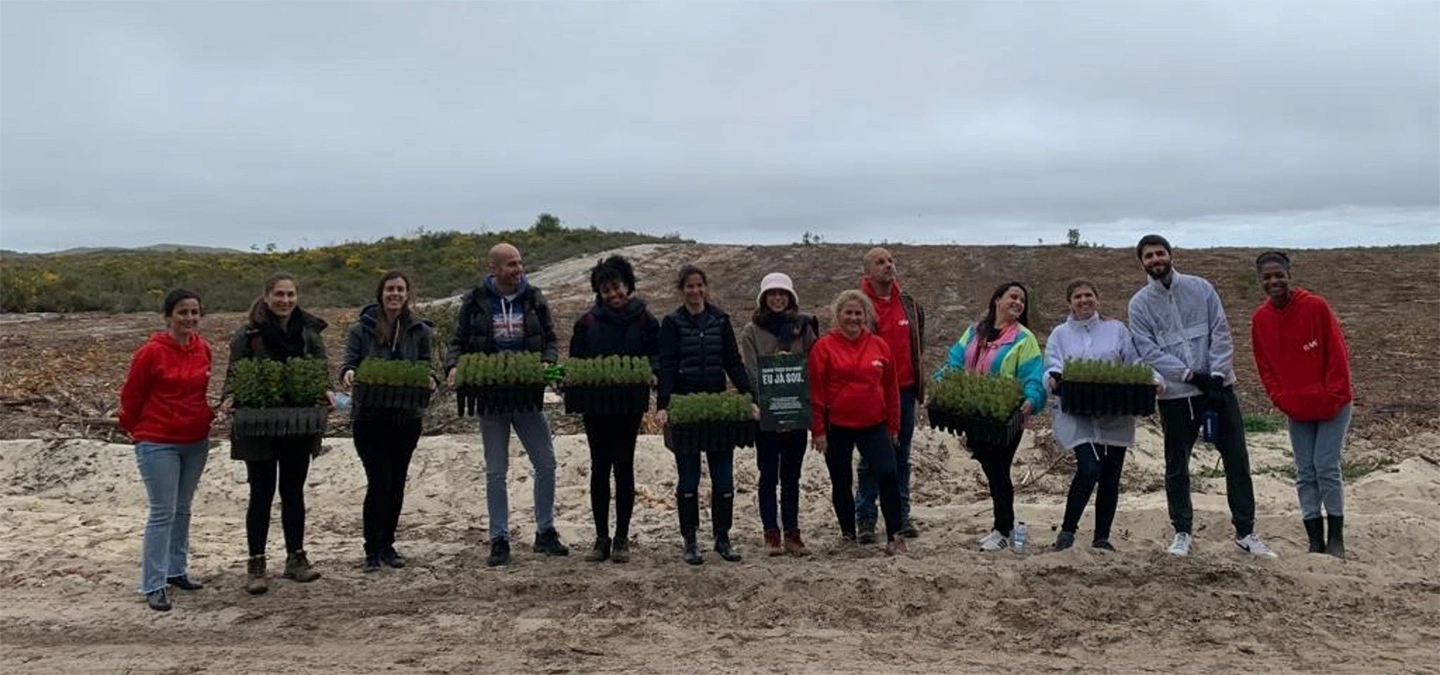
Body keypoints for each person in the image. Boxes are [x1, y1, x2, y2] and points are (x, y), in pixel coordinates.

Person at [1127, 234, 1277, 558]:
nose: (1155, 260)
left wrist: (1217, 377)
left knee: (1237, 459)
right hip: (1176, 395)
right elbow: (1148, 349)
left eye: (1160, 253)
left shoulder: (1201, 288)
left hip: (1218, 390)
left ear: (1170, 254)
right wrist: (1188, 375)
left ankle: (1246, 532)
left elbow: (1220, 331)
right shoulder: (1139, 304)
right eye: (1149, 256)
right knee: (1177, 465)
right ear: (1142, 263)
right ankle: (1182, 531)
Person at [444, 243, 569, 567]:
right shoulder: (475, 301)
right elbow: (458, 341)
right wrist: (453, 366)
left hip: (527, 394)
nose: (518, 269)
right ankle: (499, 539)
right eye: (511, 264)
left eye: (520, 263)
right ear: (494, 268)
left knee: (546, 463)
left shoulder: (534, 298)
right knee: (496, 471)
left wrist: (547, 361)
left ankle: (545, 531)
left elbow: (550, 340)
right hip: (491, 396)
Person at [222, 272, 331, 595]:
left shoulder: (309, 332)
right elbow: (233, 374)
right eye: (279, 295)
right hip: (259, 427)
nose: (285, 300)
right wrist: (230, 397)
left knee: (293, 492)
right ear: (267, 296)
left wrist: (326, 390)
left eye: (290, 294)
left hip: (298, 425)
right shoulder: (248, 334)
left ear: (297, 297)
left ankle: (296, 558)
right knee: (261, 494)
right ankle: (256, 564)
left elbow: (322, 369)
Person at [1044, 281, 1160, 552]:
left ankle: (1102, 537)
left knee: (1111, 475)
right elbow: (1052, 362)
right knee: (1089, 467)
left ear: (1097, 299)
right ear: (1069, 303)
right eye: (1077, 296)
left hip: (1115, 411)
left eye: (1088, 295)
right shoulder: (1060, 334)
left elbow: (1134, 360)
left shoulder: (1116, 329)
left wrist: (1153, 378)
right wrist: (1052, 378)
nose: (1084, 300)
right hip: (1077, 411)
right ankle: (1067, 531)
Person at [1251, 251, 1353, 558]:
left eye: (1279, 275)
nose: (1274, 281)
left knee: (1326, 466)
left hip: (1332, 404)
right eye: (1267, 277)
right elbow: (1265, 367)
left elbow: (1337, 354)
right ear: (1260, 281)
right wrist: (1280, 398)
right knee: (1305, 472)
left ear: (1289, 275)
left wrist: (1331, 395)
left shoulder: (1316, 307)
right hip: (1297, 408)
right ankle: (1314, 539)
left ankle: (1336, 538)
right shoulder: (1261, 320)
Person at [118, 289, 215, 611]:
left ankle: (176, 570)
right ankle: (154, 582)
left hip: (195, 439)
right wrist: (135, 429)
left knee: (183, 508)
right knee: (162, 511)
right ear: (168, 316)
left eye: (194, 312)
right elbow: (131, 396)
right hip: (157, 440)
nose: (189, 318)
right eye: (182, 312)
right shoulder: (150, 353)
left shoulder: (203, 349)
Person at [655, 264, 755, 565]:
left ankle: (722, 538)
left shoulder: (720, 320)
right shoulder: (672, 322)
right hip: (685, 408)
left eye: (700, 285)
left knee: (723, 477)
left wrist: (749, 396)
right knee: (688, 478)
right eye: (690, 286)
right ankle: (690, 539)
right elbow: (667, 364)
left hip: (716, 406)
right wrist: (663, 405)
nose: (695, 291)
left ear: (706, 288)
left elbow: (733, 361)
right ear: (681, 290)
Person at [936, 281, 1046, 552]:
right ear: (997, 299)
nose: (1018, 303)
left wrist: (1032, 399)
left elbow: (1033, 376)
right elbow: (954, 361)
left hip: (1006, 417)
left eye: (1022, 300)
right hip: (976, 414)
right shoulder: (974, 332)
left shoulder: (1024, 339)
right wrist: (941, 381)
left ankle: (1003, 529)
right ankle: (1002, 526)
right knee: (990, 469)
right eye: (1013, 297)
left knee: (998, 471)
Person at [340, 270, 435, 573]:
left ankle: (387, 545)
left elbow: (427, 365)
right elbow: (348, 363)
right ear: (380, 294)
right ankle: (371, 548)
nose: (395, 294)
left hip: (406, 417)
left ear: (407, 294)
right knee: (379, 481)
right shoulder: (360, 329)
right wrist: (348, 373)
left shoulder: (420, 330)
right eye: (390, 289)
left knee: (396, 482)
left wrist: (430, 379)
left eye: (400, 289)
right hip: (369, 418)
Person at [568, 255, 661, 563]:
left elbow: (657, 356)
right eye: (606, 290)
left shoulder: (645, 319)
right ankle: (601, 538)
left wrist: (653, 373)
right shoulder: (587, 322)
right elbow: (576, 361)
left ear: (628, 285)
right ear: (599, 292)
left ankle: (622, 537)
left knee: (624, 466)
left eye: (617, 287)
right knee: (599, 467)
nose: (613, 294)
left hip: (629, 405)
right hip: (595, 406)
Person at [808, 290, 907, 555]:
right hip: (837, 425)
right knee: (841, 480)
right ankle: (848, 535)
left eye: (858, 313)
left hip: (874, 423)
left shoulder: (879, 345)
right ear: (838, 315)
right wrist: (818, 429)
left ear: (866, 316)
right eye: (848, 313)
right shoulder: (823, 347)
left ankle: (895, 535)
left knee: (888, 474)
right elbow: (816, 392)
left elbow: (891, 388)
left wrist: (894, 425)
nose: (853, 318)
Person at [739, 272, 819, 557]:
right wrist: (768, 401)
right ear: (763, 298)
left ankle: (793, 533)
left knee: (792, 476)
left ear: (790, 298)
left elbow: (814, 362)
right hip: (766, 414)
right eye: (772, 294)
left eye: (782, 294)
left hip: (796, 411)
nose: (777, 298)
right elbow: (751, 371)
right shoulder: (751, 331)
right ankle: (770, 533)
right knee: (768, 475)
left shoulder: (803, 328)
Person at [854, 247, 926, 544]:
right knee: (871, 457)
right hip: (872, 392)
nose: (888, 265)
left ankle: (901, 515)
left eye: (890, 260)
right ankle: (866, 517)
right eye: (880, 262)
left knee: (901, 455)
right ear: (867, 272)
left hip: (905, 390)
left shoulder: (909, 304)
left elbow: (918, 342)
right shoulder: (859, 305)